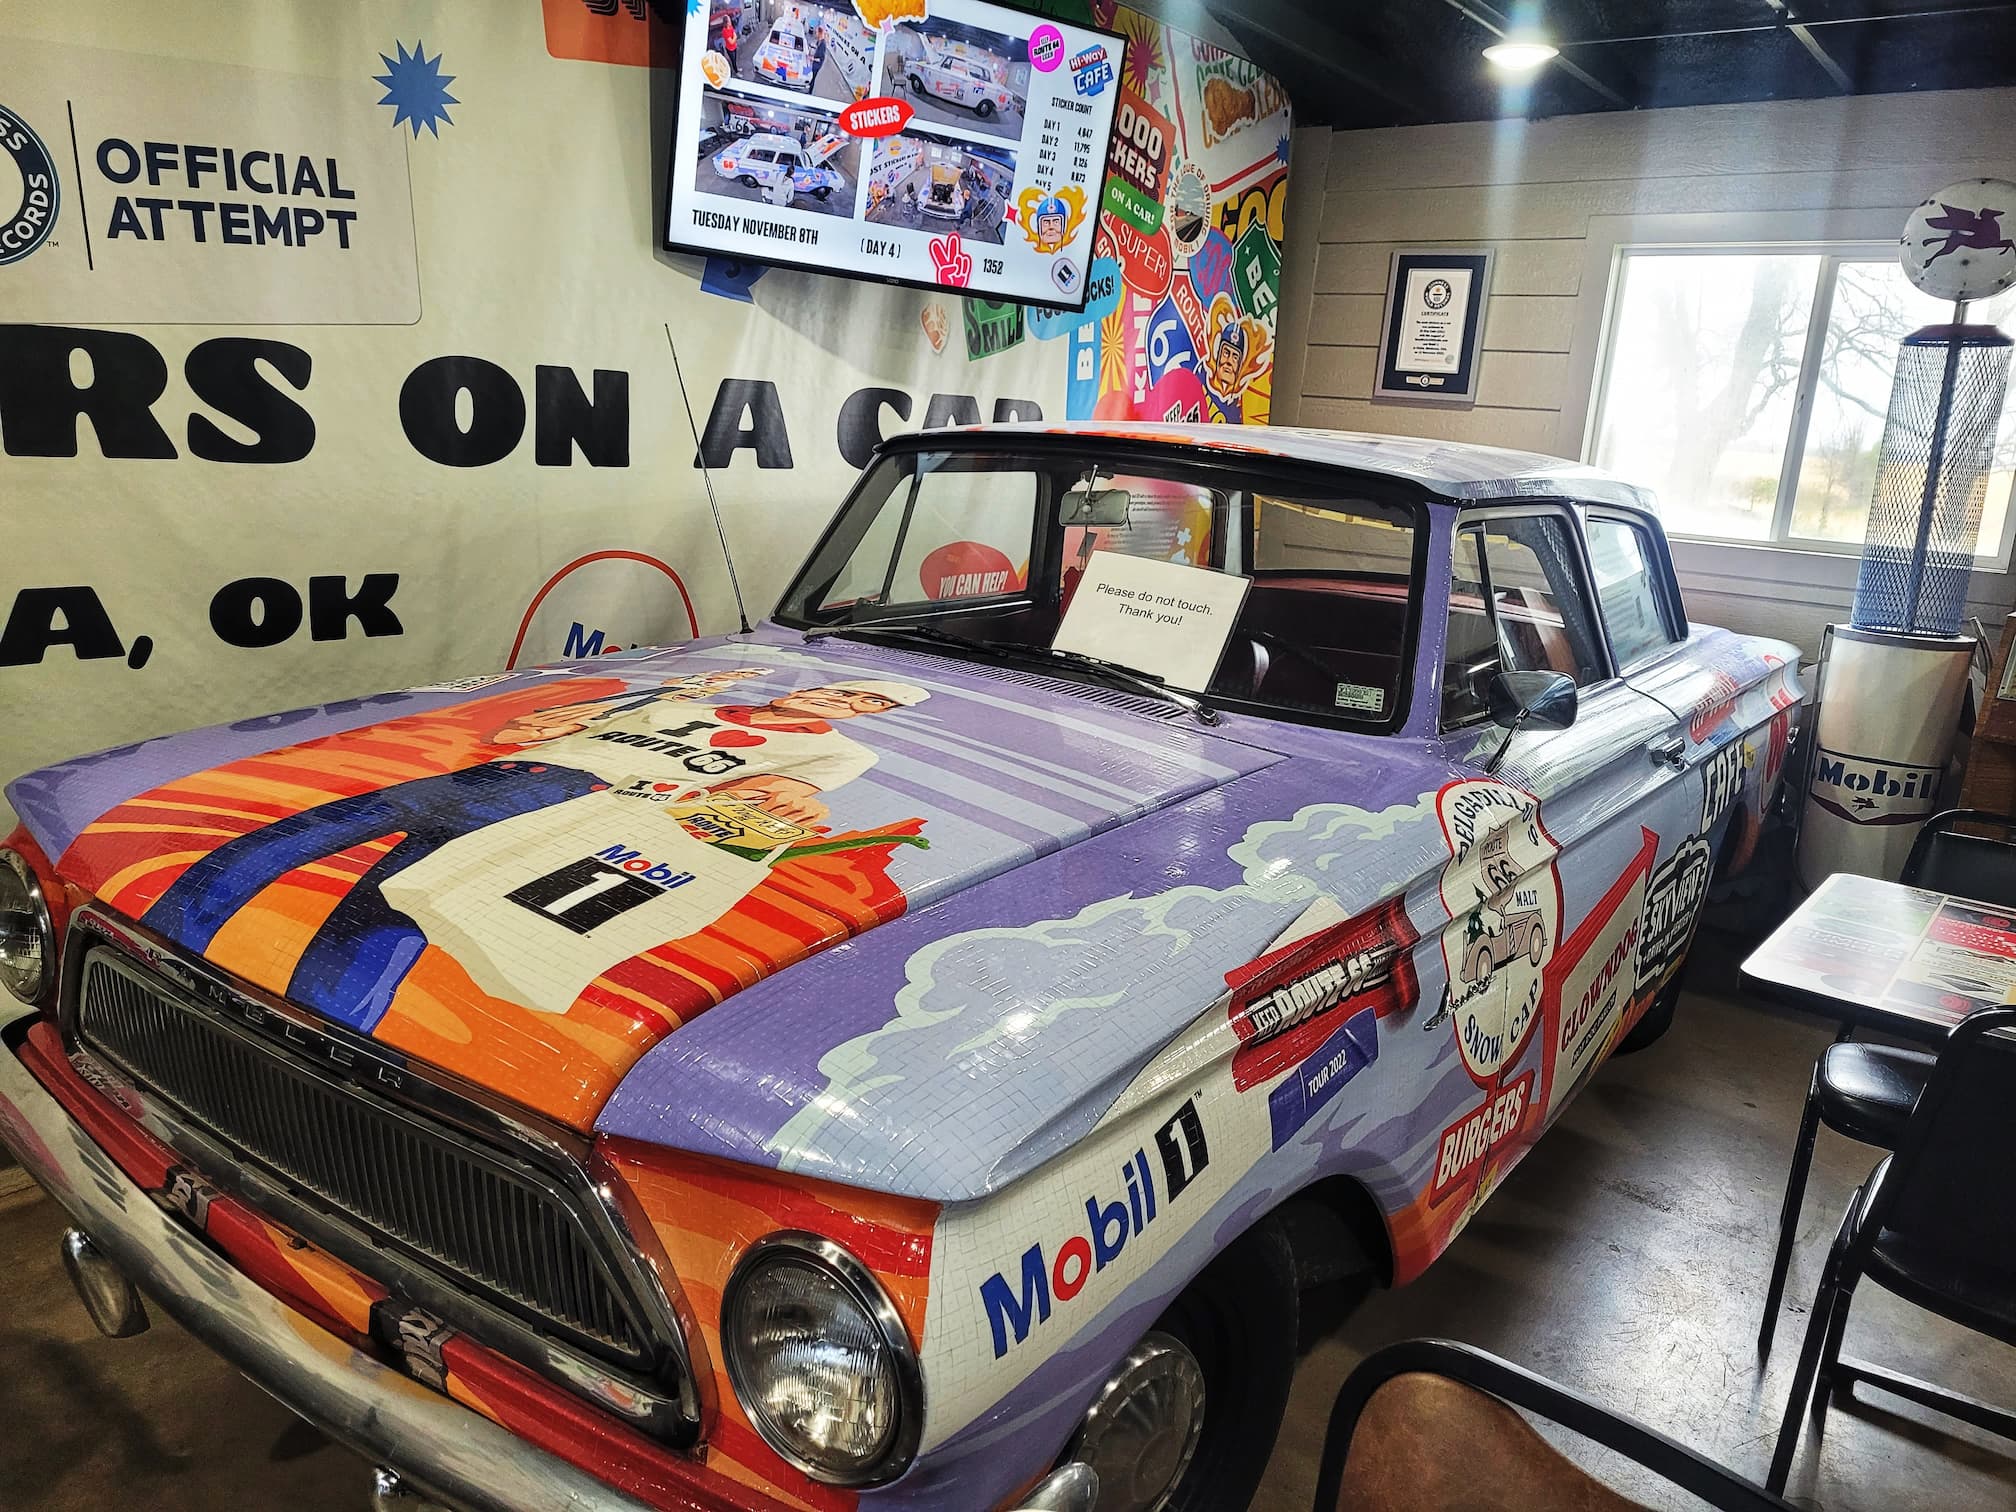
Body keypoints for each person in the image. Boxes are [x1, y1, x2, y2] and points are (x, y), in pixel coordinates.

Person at [143, 674, 929, 1027]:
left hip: (561, 806)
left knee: (388, 911)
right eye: (845, 691)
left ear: (864, 716)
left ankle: (321, 1053)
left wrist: (766, 806)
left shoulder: (833, 752)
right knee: (283, 839)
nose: (841, 700)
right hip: (506, 771)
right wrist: (542, 729)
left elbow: (778, 803)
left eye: (864, 702)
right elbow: (541, 726)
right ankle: (164, 988)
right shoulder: (703, 694)